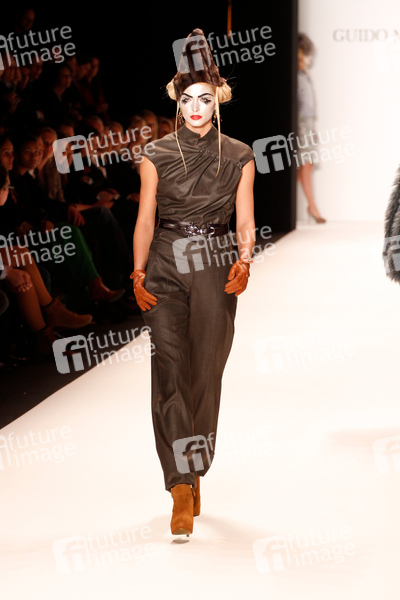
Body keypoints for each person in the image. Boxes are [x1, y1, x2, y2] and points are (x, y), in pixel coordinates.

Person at [132, 28, 256, 537]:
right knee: (169, 367)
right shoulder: (155, 154)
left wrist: (244, 260)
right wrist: (137, 272)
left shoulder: (240, 155)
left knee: (205, 370)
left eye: (205, 99)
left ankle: (196, 462)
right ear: (177, 103)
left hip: (215, 263)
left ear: (218, 100)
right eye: (188, 100)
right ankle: (179, 485)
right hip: (164, 259)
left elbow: (245, 219)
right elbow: (145, 218)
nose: (196, 108)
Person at [297, 32, 326, 224]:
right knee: (304, 164)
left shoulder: (303, 75)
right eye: (306, 54)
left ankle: (310, 206)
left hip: (306, 123)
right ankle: (312, 206)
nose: (309, 59)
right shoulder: (295, 75)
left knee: (305, 165)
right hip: (300, 123)